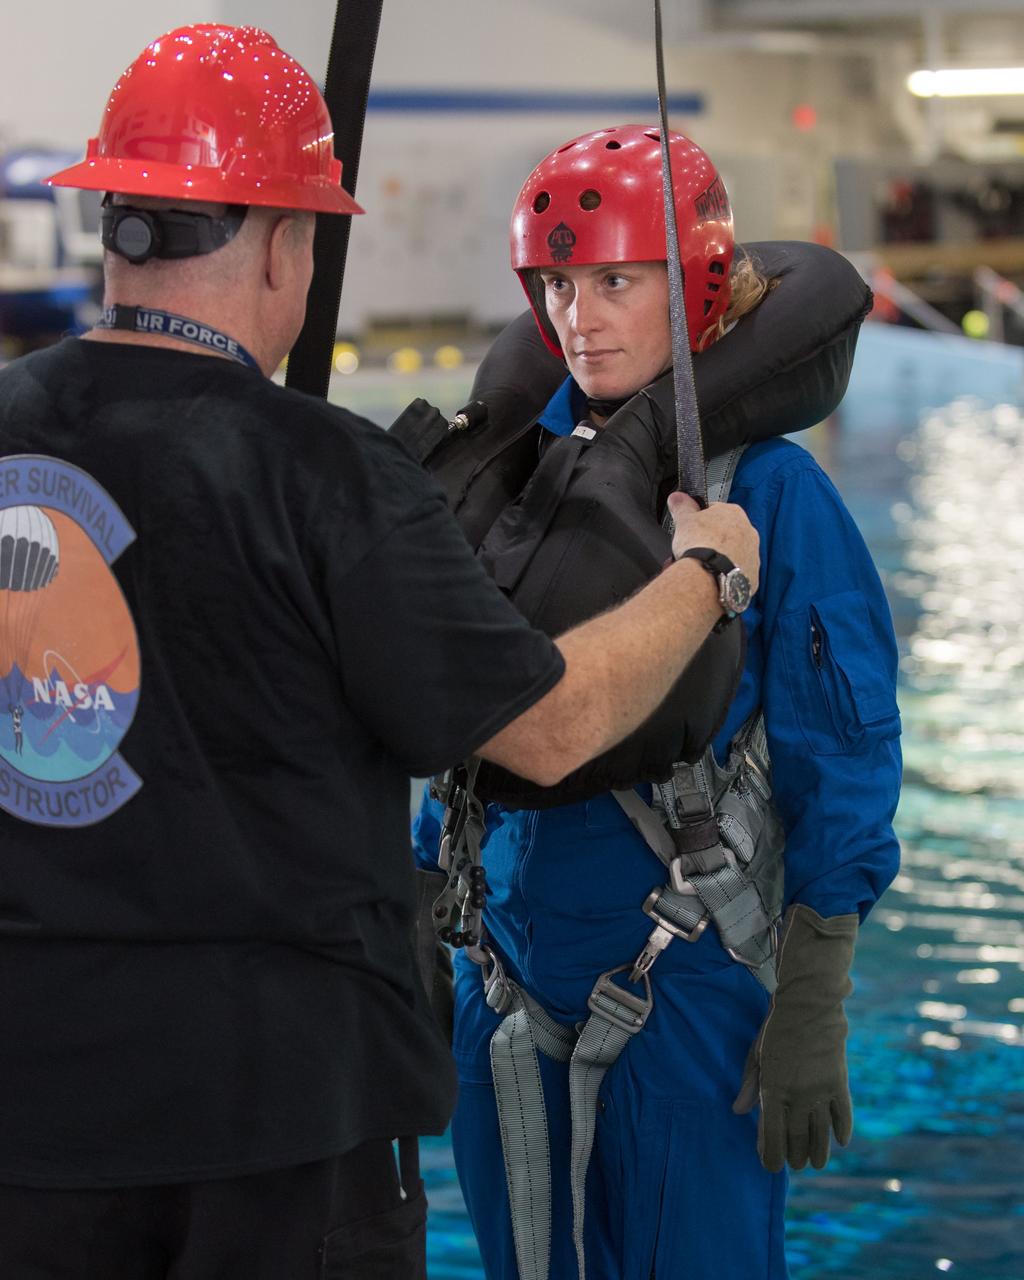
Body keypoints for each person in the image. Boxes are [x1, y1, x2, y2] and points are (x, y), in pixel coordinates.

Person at [0, 31, 759, 1279]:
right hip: (279, 1119)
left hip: (29, 1112)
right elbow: (552, 725)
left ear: (114, 222)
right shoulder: (325, 472)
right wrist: (706, 574)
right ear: (287, 243)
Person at [412, 126, 902, 1279]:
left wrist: (817, 986)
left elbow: (847, 745)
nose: (579, 315)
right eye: (560, 282)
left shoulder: (774, 494)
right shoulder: (510, 485)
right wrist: (421, 897)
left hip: (682, 984)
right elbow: (464, 724)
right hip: (503, 981)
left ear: (698, 284)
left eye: (617, 280)